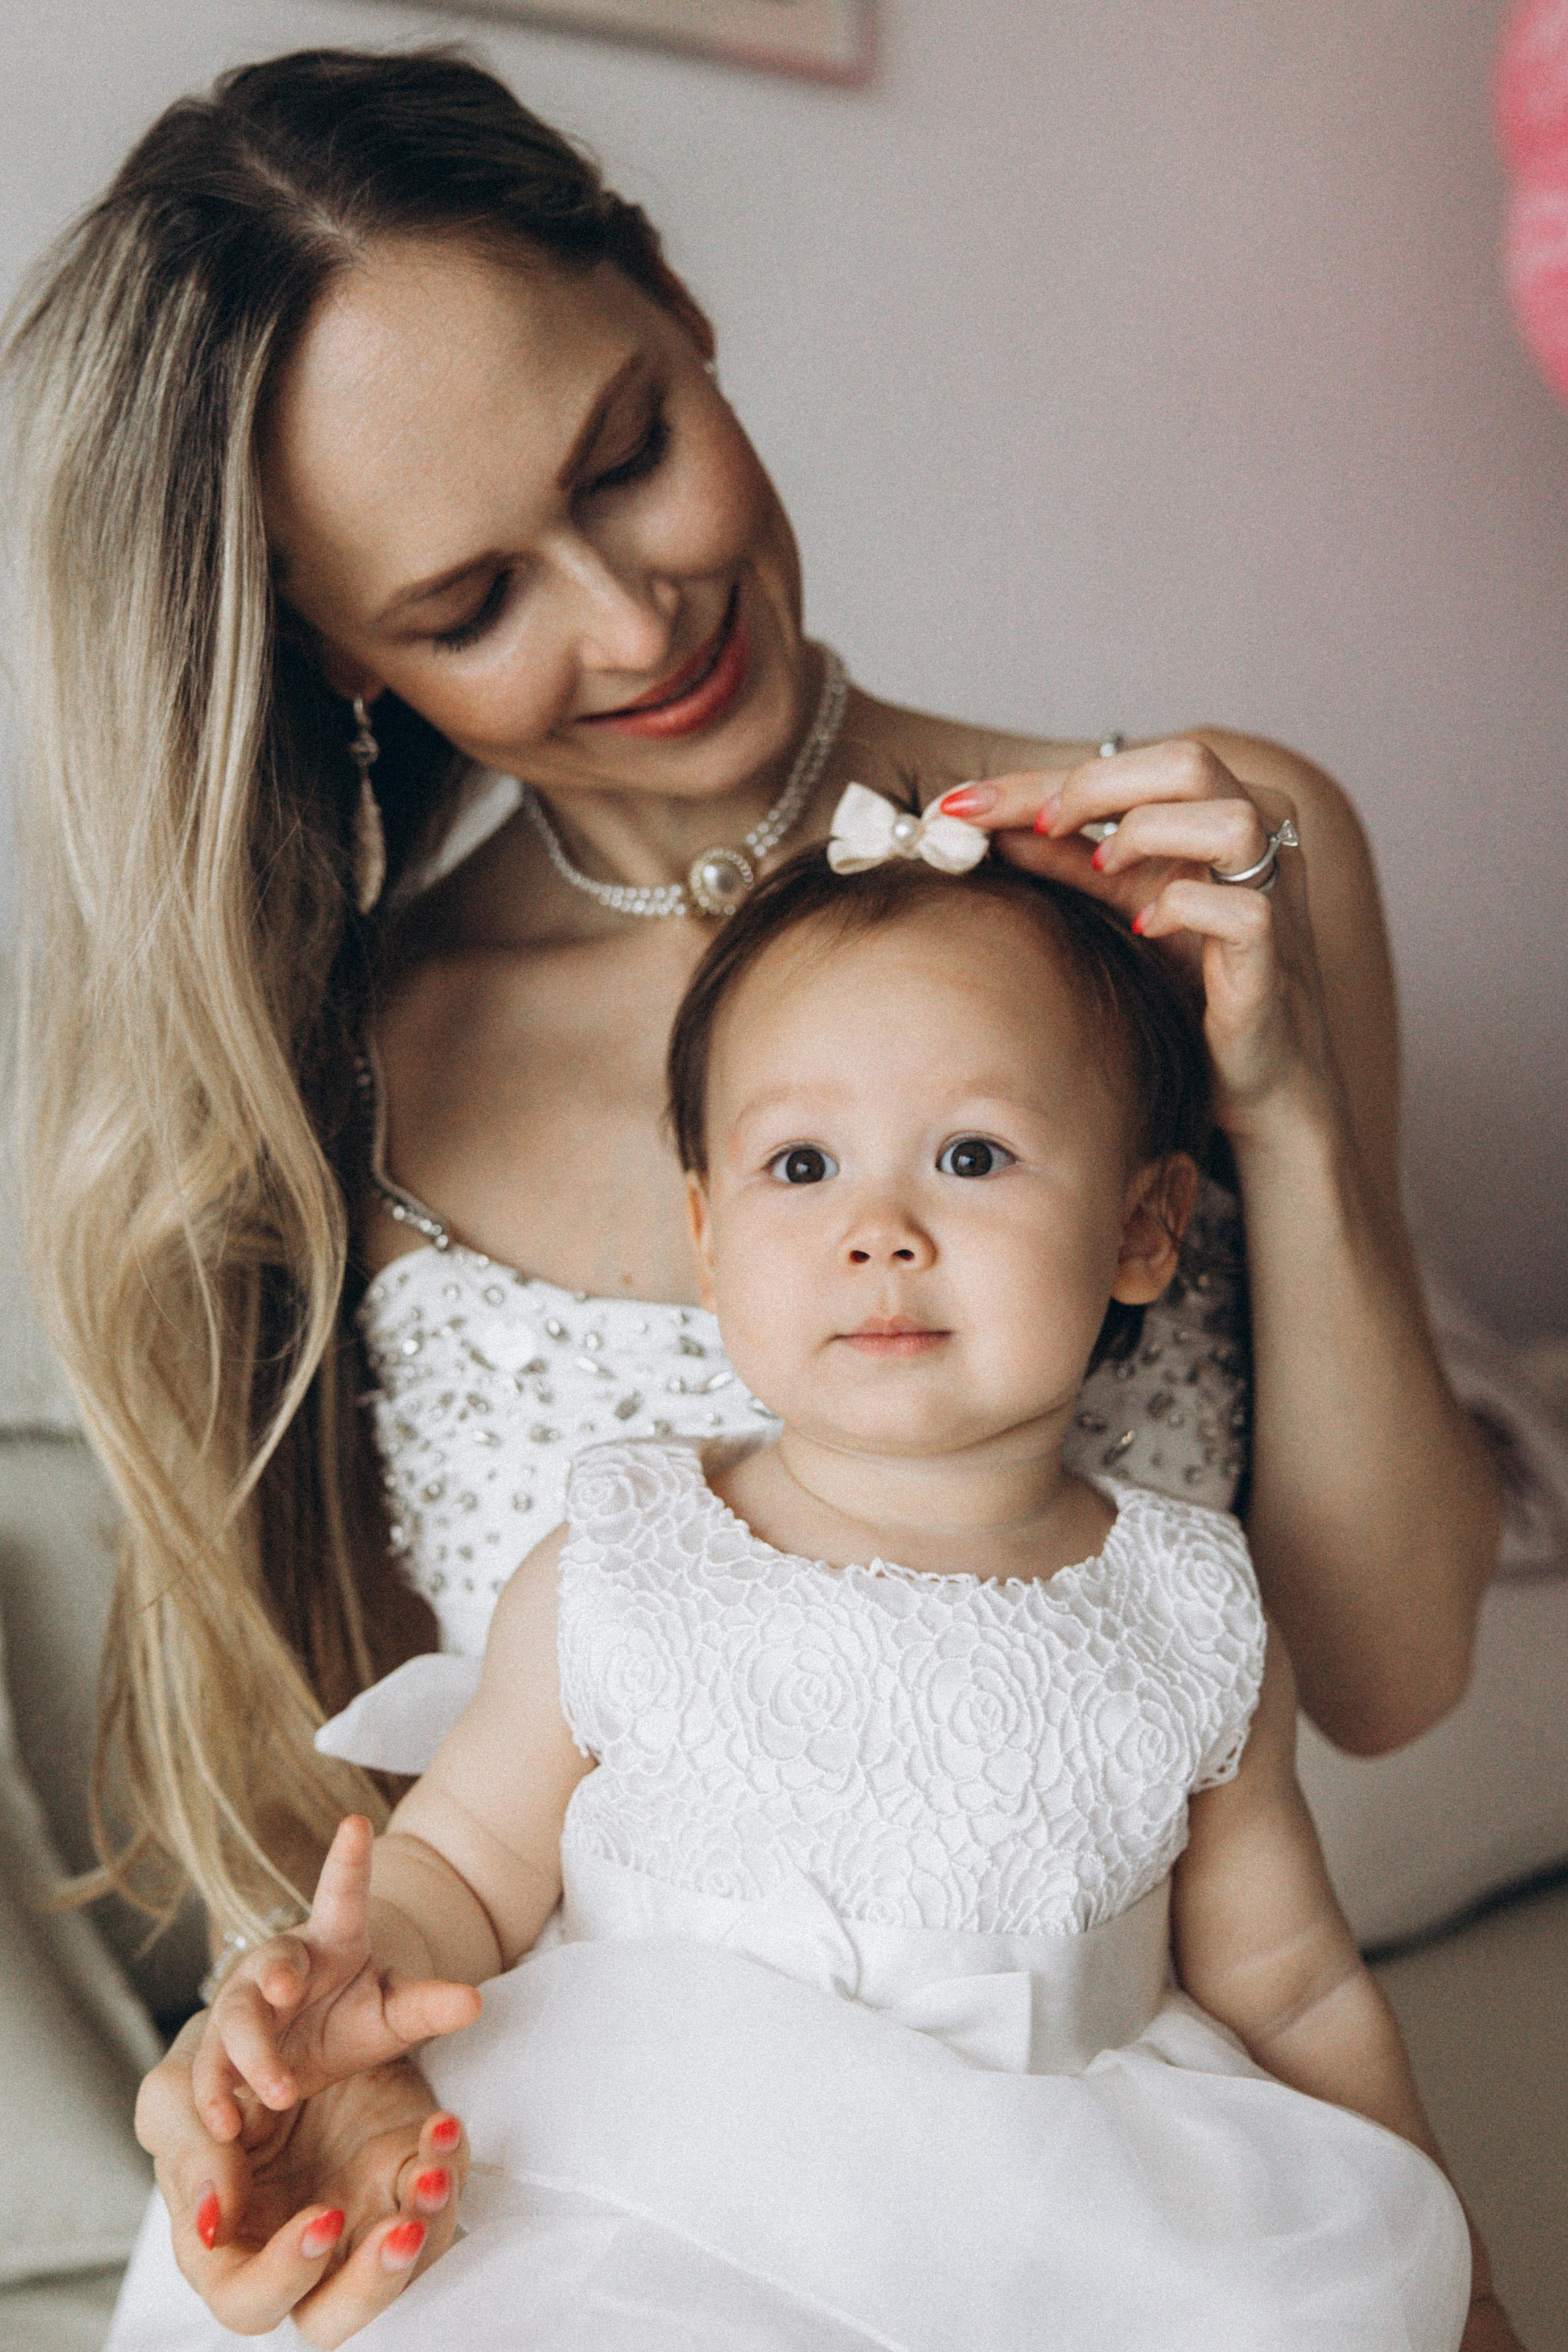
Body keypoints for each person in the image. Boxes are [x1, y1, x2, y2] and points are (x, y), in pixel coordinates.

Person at [0, 45, 1499, 2347]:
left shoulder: (1211, 861)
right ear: (329, 649)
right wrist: (290, 2060)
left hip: (1095, 2201)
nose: (631, 622)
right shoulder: (348, 1074)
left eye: (626, 454)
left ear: (674, 303)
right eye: (469, 603)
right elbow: (418, 1859)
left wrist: (1277, 1107)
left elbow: (1386, 1677)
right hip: (611, 2210)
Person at [179, 824, 1508, 2349]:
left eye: (971, 1156)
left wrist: (1446, 2279)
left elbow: (1291, 1990)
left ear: (1143, 1227)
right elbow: (469, 1865)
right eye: (801, 1166)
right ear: (707, 1237)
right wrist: (362, 1972)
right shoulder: (627, 1556)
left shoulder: (1188, 1610)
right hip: (638, 2201)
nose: (879, 1231)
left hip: (1052, 2246)